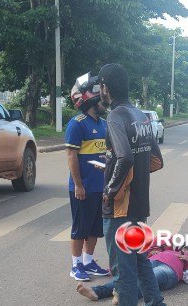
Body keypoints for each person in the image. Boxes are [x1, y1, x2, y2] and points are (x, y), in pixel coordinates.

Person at [94, 63, 168, 306]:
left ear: (105, 88)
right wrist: (129, 175)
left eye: (100, 86)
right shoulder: (141, 116)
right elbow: (156, 160)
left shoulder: (116, 117)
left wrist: (112, 188)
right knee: (139, 260)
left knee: (121, 265)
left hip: (120, 206)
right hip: (139, 203)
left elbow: (124, 157)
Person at [65, 74, 111, 281]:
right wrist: (78, 185)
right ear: (89, 99)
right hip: (83, 187)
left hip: (99, 187)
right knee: (80, 228)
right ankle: (75, 266)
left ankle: (88, 261)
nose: (103, 102)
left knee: (95, 227)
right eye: (99, 98)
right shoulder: (77, 124)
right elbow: (71, 155)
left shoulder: (103, 124)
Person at [77, 244, 188, 302]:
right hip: (150, 262)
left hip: (169, 271)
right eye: (184, 249)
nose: (184, 251)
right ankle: (96, 292)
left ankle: (124, 297)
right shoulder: (168, 250)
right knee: (126, 276)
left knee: (147, 282)